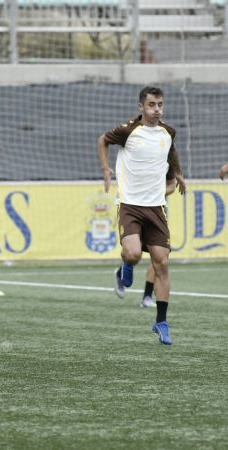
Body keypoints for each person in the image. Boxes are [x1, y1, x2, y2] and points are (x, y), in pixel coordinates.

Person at [97, 86, 186, 345]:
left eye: (160, 104)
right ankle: (124, 266)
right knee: (134, 254)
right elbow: (102, 140)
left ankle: (161, 322)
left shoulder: (168, 132)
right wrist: (105, 168)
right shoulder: (128, 130)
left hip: (156, 207)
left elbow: (172, 151)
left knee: (162, 263)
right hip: (130, 205)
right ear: (141, 107)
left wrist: (179, 174)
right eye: (151, 105)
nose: (157, 109)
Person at [140, 174, 176, 308]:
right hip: (136, 210)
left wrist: (156, 194)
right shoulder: (137, 165)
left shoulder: (165, 165)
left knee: (157, 256)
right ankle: (123, 270)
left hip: (158, 212)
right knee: (134, 252)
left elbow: (172, 185)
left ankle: (147, 295)